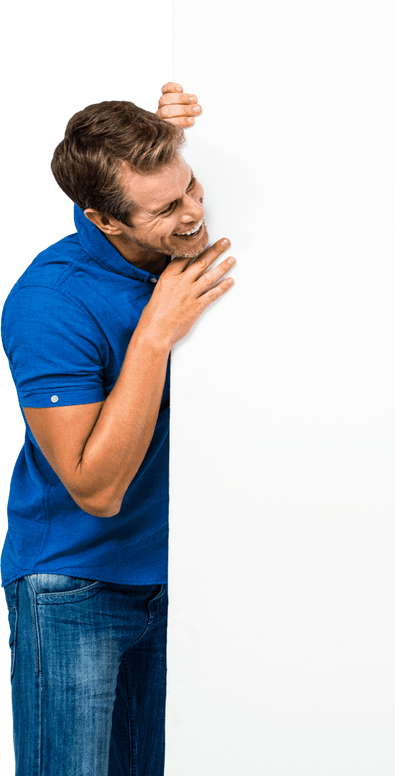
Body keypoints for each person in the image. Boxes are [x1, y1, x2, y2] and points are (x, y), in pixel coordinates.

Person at [2, 83, 224, 775]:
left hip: (177, 577)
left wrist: (193, 116)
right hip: (74, 584)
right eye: (168, 209)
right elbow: (95, 488)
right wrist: (154, 335)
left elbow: (153, 176)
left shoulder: (162, 217)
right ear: (104, 221)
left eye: (192, 188)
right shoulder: (50, 303)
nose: (195, 214)